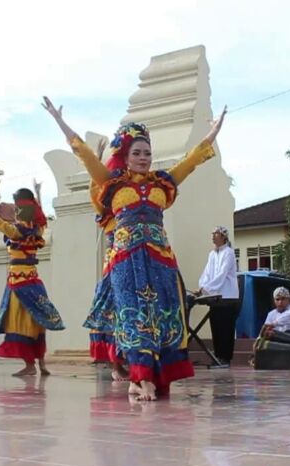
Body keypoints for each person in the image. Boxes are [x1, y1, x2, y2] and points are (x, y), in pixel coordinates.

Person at [42, 96, 228, 401]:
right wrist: (60, 122)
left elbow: (191, 162)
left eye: (147, 153)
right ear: (126, 157)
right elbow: (86, 156)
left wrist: (213, 133)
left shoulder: (162, 183)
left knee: (164, 315)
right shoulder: (111, 182)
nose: (143, 158)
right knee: (134, 315)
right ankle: (141, 378)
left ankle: (150, 376)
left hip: (160, 260)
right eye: (137, 153)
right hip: (125, 261)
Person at [0, 177, 65, 377]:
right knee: (37, 322)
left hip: (18, 283)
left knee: (21, 323)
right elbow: (40, 216)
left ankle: (30, 366)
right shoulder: (36, 230)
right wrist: (38, 195)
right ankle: (41, 365)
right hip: (33, 280)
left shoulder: (17, 231)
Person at [83, 139, 130, 382]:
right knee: (115, 313)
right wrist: (98, 159)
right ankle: (116, 365)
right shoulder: (109, 214)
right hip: (115, 268)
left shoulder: (134, 202)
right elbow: (95, 192)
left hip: (138, 265)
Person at [195, 226, 240, 365]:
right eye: (212, 233)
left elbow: (222, 274)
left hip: (228, 296)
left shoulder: (229, 253)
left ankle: (225, 358)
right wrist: (202, 286)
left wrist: (207, 288)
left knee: (226, 327)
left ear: (223, 237)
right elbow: (207, 273)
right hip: (214, 297)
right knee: (215, 325)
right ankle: (217, 357)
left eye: (216, 234)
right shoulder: (212, 254)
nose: (213, 236)